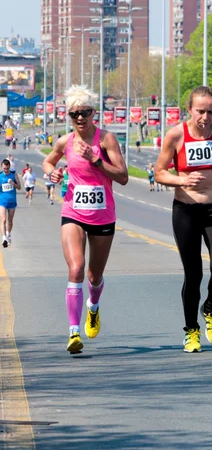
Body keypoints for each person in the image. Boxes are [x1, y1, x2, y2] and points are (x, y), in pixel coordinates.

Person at [155, 86, 212, 353]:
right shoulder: (176, 135)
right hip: (185, 210)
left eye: (210, 111)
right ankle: (191, 331)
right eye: (200, 111)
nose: (205, 117)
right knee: (193, 274)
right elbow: (159, 173)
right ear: (189, 110)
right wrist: (181, 179)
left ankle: (210, 309)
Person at [42, 85, 128, 354]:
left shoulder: (106, 140)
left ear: (94, 113)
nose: (80, 118)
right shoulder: (64, 142)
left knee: (94, 275)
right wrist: (52, 173)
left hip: (102, 214)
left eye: (85, 112)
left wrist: (96, 160)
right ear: (68, 115)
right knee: (76, 268)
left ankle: (93, 306)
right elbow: (48, 162)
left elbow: (123, 176)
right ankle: (73, 332)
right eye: (74, 113)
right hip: (73, 211)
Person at [0, 158, 21, 247]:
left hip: (12, 201)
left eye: (7, 168)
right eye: (4, 168)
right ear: (2, 167)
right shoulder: (0, 176)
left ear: (9, 167)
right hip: (2, 201)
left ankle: (8, 234)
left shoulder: (14, 175)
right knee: (3, 219)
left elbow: (19, 187)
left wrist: (12, 183)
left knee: (10, 220)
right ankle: (4, 238)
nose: (5, 170)